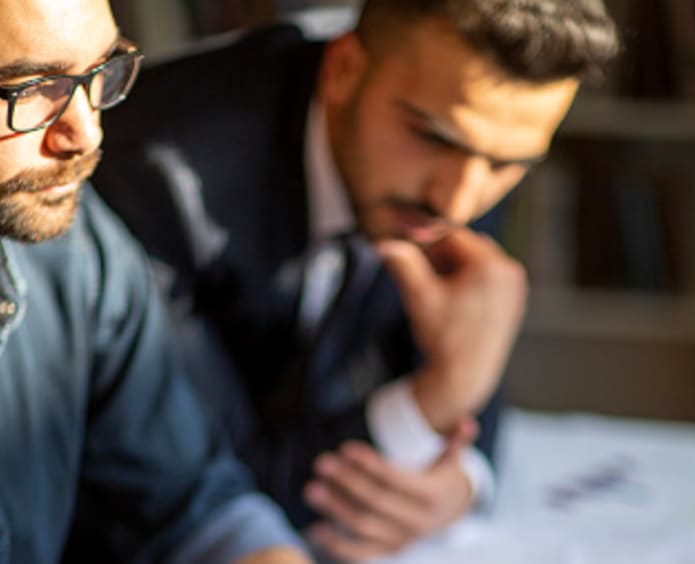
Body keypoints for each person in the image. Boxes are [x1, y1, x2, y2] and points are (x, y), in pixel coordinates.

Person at [94, 0, 620, 560]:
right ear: (344, 69)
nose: (459, 202)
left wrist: (461, 480)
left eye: (508, 165)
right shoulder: (158, 179)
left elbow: (469, 342)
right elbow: (202, 492)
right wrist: (439, 399)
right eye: (434, 137)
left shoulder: (461, 148)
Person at [0, 0, 313, 562]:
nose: (87, 133)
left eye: (101, 72)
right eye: (31, 89)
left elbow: (190, 504)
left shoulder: (71, 247)